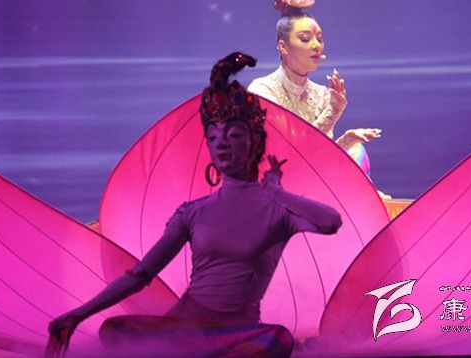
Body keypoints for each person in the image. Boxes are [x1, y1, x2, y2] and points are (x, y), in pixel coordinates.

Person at [47, 52, 342, 357]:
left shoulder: (278, 209)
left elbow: (331, 222)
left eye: (233, 134)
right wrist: (78, 315)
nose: (221, 143)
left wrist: (276, 192)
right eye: (213, 137)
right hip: (185, 330)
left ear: (254, 141)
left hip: (236, 335)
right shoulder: (193, 213)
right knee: (114, 329)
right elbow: (140, 275)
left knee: (278, 338)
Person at [248, 0, 381, 171]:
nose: (316, 45)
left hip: (312, 176)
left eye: (319, 39)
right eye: (305, 39)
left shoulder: (322, 94)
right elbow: (290, 158)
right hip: (277, 178)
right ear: (283, 47)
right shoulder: (262, 91)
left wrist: (346, 141)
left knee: (357, 151)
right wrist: (332, 112)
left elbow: (319, 158)